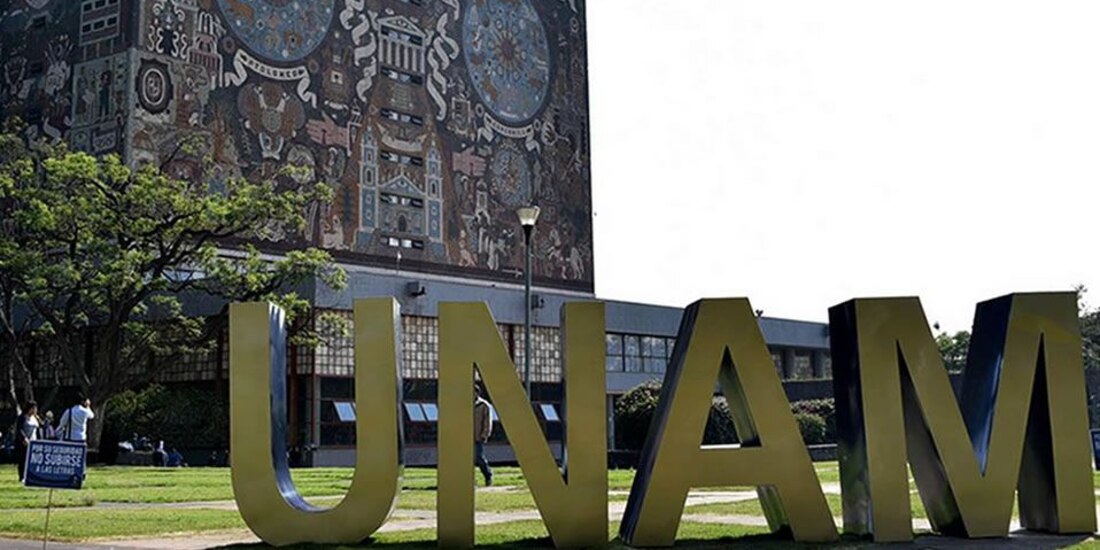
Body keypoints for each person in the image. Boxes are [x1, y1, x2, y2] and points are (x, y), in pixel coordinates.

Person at [474, 385, 494, 487]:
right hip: (465, 437)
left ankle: (488, 476)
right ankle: (471, 480)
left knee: (479, 457)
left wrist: (485, 434)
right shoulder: (465, 405)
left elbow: (487, 421)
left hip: (478, 436)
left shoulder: (484, 405)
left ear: (477, 393)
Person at [15, 401, 40, 482]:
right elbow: (19, 429)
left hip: (33, 441)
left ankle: (31, 476)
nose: (34, 410)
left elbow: (39, 428)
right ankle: (22, 476)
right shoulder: (22, 417)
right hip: (24, 442)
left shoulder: (35, 418)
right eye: (33, 408)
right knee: (23, 459)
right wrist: (24, 438)